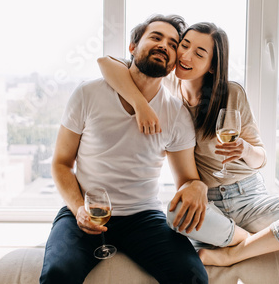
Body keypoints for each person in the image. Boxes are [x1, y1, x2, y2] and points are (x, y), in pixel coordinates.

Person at [97, 22, 279, 267]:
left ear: (212, 67)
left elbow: (261, 158)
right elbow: (106, 63)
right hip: (207, 205)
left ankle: (231, 254)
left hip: (248, 199)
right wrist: (140, 105)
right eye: (184, 45)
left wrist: (244, 149)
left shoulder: (231, 94)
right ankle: (257, 241)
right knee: (175, 215)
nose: (185, 55)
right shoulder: (167, 85)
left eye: (199, 53)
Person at [40, 14, 209, 284]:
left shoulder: (176, 114)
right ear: (132, 47)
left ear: (175, 61)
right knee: (57, 274)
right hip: (84, 211)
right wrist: (78, 209)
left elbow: (187, 179)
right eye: (156, 37)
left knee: (192, 277)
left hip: (143, 217)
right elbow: (61, 162)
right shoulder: (88, 94)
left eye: (172, 43)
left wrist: (197, 186)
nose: (164, 45)